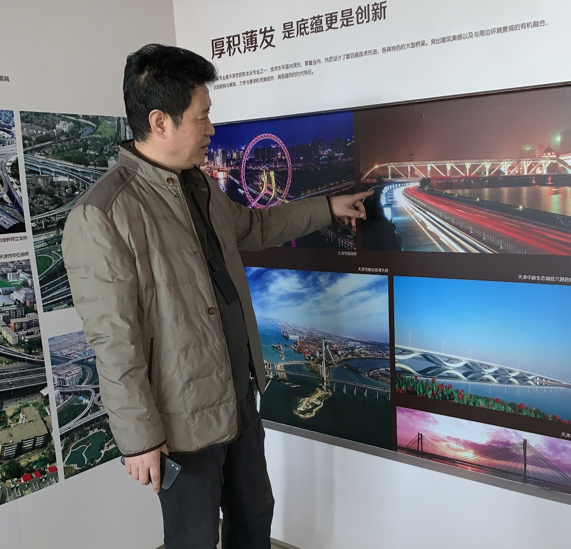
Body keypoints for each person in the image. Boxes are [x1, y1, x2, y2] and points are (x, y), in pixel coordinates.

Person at [61, 43, 371, 549]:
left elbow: (254, 226)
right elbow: (113, 341)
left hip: (237, 395)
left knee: (254, 516)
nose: (211, 128)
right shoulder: (104, 214)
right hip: (181, 418)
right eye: (202, 115)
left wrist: (328, 208)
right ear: (160, 122)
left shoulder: (199, 187)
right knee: (195, 538)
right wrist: (139, 440)